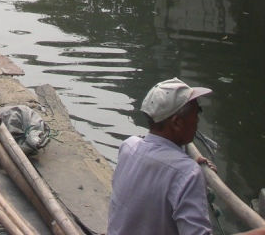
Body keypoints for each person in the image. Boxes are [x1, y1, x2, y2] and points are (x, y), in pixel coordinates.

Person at [108, 78, 265, 235]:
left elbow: (156, 175)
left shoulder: (129, 146)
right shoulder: (187, 173)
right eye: (196, 113)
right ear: (177, 123)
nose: (197, 120)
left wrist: (188, 164)